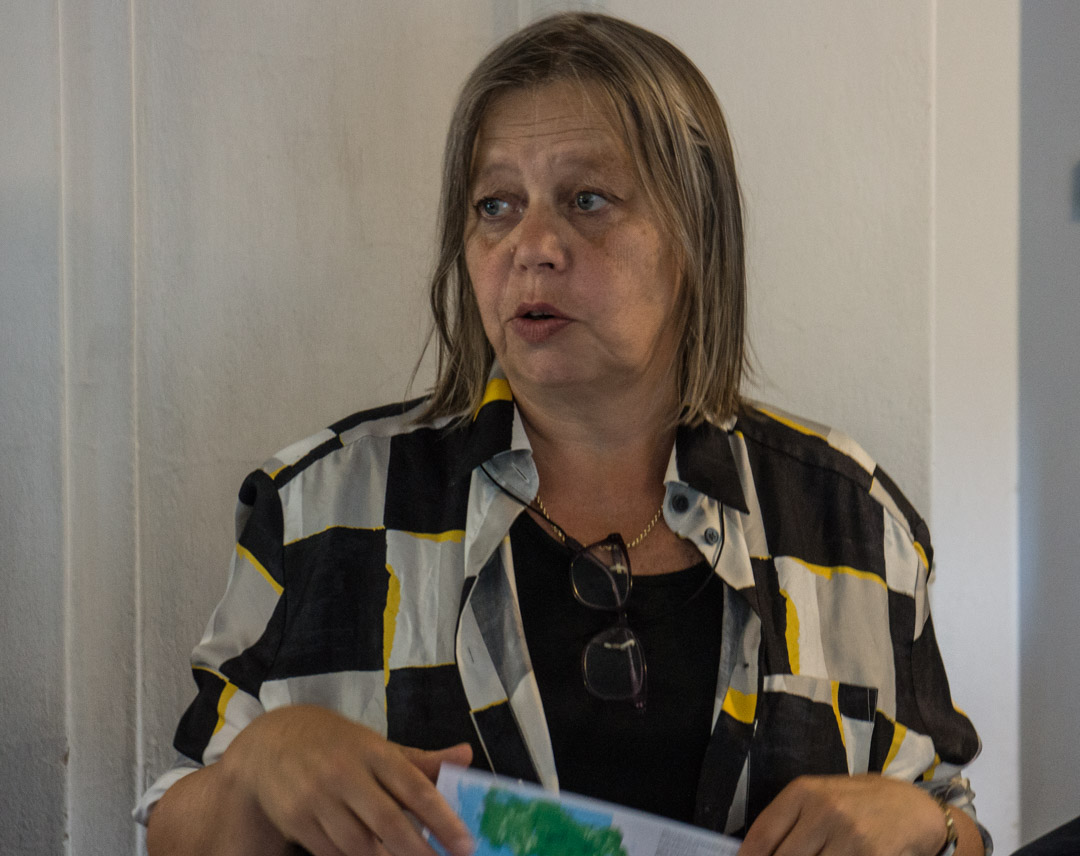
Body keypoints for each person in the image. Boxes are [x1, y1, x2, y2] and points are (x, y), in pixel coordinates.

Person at [138, 12, 989, 856]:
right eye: (496, 205)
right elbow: (169, 830)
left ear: (696, 234)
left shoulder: (850, 518)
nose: (532, 246)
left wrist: (932, 824)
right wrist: (260, 765)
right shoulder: (319, 508)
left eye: (588, 200)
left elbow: (953, 814)